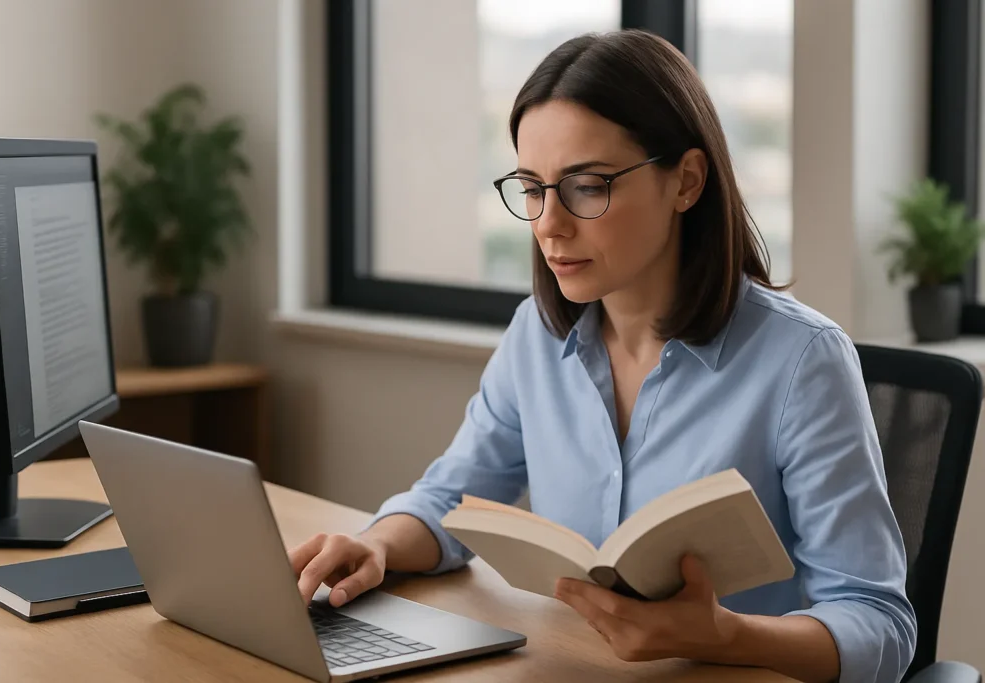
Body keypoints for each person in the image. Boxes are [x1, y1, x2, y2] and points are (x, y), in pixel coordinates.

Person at [289, 29, 915, 683]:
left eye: (586, 186)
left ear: (687, 181)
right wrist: (374, 545)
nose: (548, 225)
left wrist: (728, 636)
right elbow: (453, 497)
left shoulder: (802, 361)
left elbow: (881, 626)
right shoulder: (537, 333)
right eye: (532, 187)